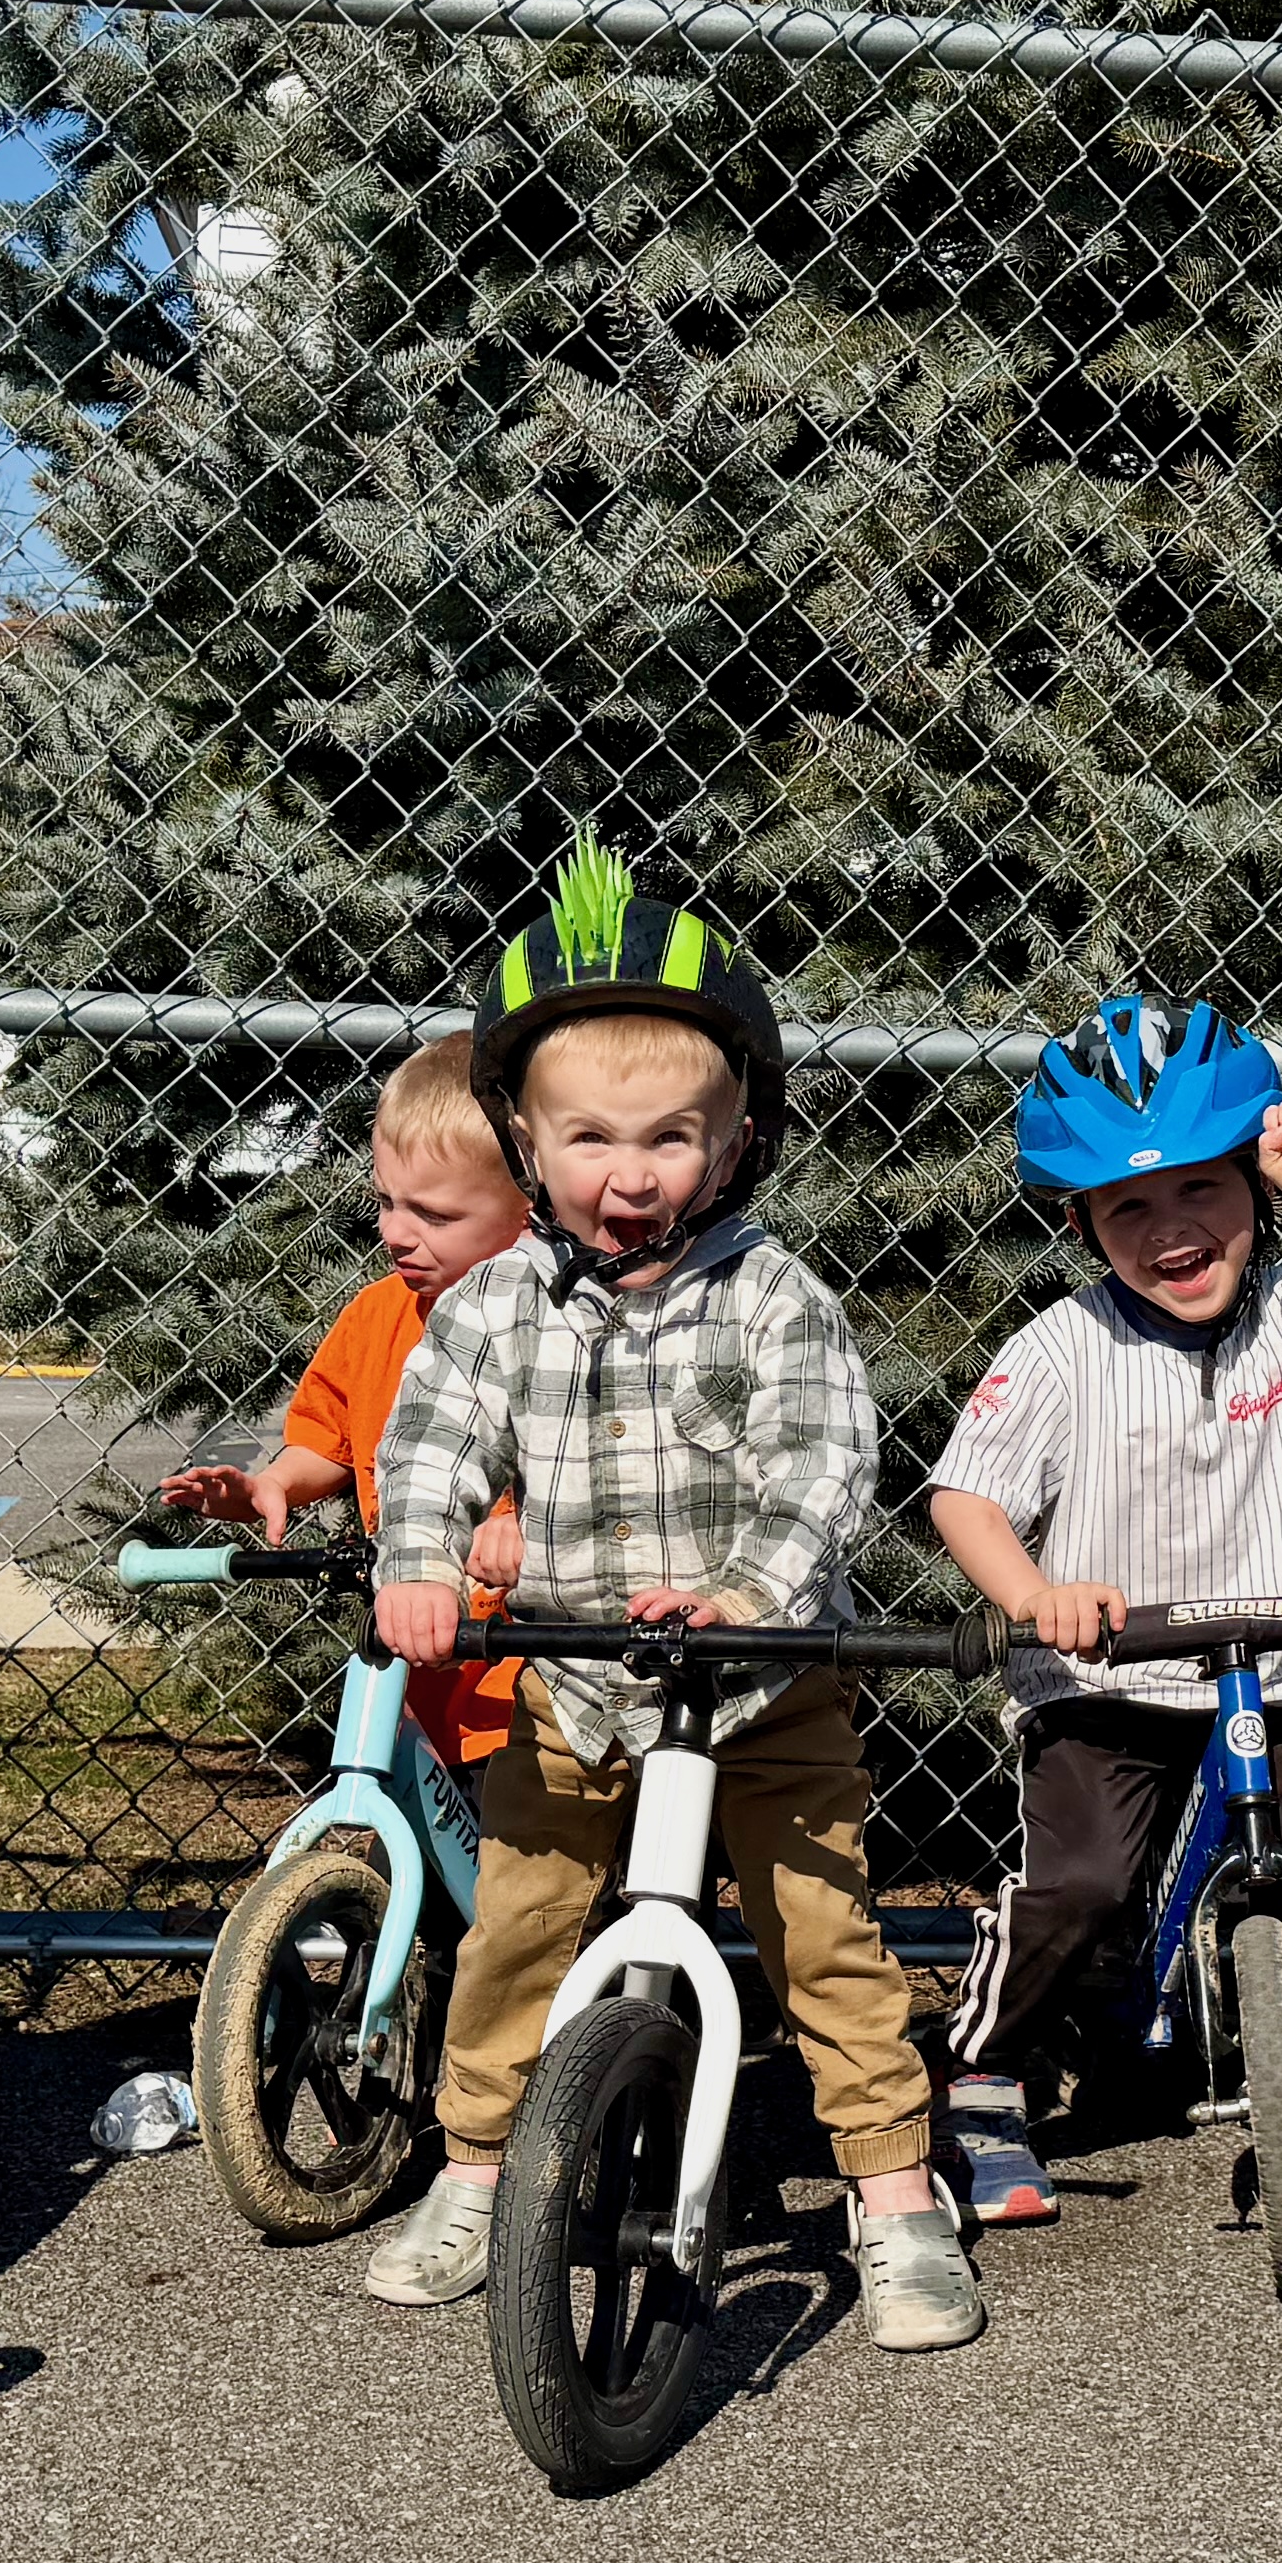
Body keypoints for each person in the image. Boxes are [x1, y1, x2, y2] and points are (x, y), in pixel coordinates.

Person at [361, 843, 977, 2347]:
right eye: (586, 1140)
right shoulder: (499, 1303)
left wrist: (751, 1591)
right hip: (575, 1687)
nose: (627, 1175)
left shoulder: (776, 1298)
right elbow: (431, 1440)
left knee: (826, 1935)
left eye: (667, 1139)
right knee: (516, 1925)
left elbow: (824, 1464)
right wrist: (421, 1564)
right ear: (525, 1141)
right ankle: (477, 2167)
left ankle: (896, 2199)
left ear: (738, 1138)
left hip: (764, 1685)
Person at [925, 996, 1282, 2230]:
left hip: (1264, 1670)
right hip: (1105, 1684)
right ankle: (984, 2076)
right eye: (1129, 1210)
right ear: (1084, 1225)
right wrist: (1035, 1598)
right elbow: (967, 1496)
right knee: (1087, 1885)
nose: (1173, 1232)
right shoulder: (1066, 1345)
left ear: (1255, 1193)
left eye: (1205, 1194)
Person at [160, 1027, 531, 1763]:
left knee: (522, 1866)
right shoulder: (376, 1317)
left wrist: (528, 1527)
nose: (396, 1233)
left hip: (525, 1684)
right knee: (406, 1851)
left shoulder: (555, 1328)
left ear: (531, 1206)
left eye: (434, 1215)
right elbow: (327, 1442)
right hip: (410, 1669)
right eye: (386, 1202)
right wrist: (268, 1485)